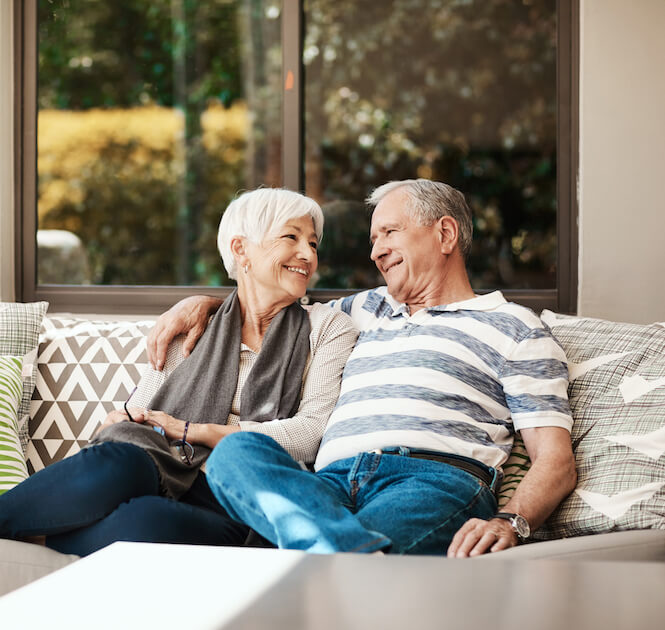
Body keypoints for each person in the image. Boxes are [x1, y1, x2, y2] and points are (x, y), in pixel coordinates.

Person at [0, 188, 357, 555]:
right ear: (242, 250)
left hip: (239, 499)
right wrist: (124, 417)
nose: (308, 255)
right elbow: (144, 410)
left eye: (313, 243)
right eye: (290, 238)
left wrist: (197, 430)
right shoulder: (196, 325)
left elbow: (310, 433)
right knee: (121, 457)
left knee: (145, 523)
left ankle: (28, 519)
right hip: (164, 466)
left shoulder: (326, 326)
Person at [147, 179, 577, 557]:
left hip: (431, 479)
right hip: (325, 484)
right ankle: (347, 560)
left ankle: (329, 559)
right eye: (374, 239)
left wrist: (510, 522)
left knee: (342, 546)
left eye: (389, 232)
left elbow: (555, 460)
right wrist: (203, 306)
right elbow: (267, 299)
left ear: (445, 233)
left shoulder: (516, 328)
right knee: (237, 454)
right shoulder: (362, 310)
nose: (376, 251)